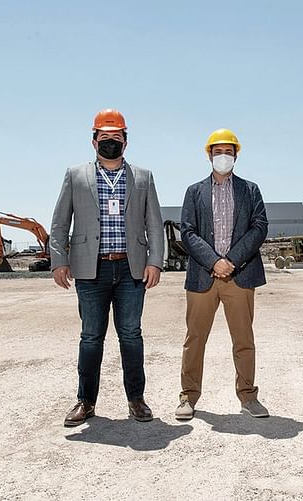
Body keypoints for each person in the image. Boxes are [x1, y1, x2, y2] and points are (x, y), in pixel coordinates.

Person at [50, 109, 164, 427]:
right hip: (90, 270)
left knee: (131, 335)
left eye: (116, 138)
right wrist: (59, 261)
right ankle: (85, 401)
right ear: (93, 141)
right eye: (104, 138)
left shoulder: (143, 177)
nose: (110, 143)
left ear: (125, 142)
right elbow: (60, 223)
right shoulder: (75, 175)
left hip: (131, 270)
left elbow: (153, 224)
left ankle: (136, 400)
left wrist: (155, 261)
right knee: (90, 338)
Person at [175, 128, 269, 421]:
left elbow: (259, 227)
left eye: (228, 152)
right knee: (194, 339)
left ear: (235, 155)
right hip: (204, 277)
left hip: (239, 276)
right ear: (209, 155)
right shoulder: (194, 192)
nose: (223, 157)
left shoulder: (250, 190)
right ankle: (188, 397)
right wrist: (214, 262)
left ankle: (248, 396)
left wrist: (231, 261)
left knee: (244, 340)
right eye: (218, 152)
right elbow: (188, 232)